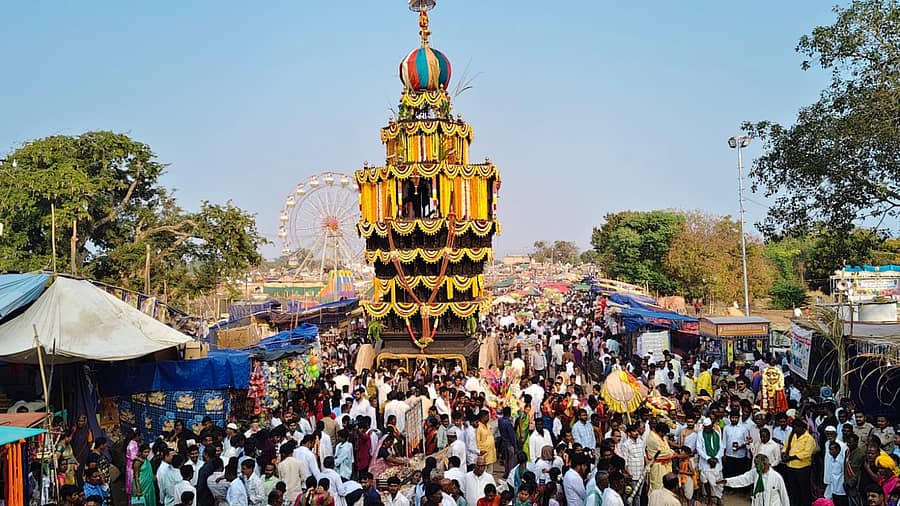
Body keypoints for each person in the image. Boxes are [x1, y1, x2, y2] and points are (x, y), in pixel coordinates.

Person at [720, 454, 790, 506]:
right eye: (755, 464)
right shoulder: (755, 472)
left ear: (765, 464)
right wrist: (727, 481)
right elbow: (743, 479)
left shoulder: (776, 477)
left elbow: (784, 496)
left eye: (757, 464)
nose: (755, 466)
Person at [783, 418, 816, 506]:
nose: (794, 429)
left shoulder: (809, 439)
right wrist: (784, 453)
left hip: (802, 468)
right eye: (793, 427)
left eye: (796, 427)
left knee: (804, 490)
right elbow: (786, 446)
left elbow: (807, 453)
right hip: (790, 467)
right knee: (793, 490)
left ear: (802, 428)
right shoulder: (792, 435)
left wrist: (792, 457)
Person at [696, 417, 724, 506]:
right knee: (706, 481)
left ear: (712, 426)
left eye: (708, 428)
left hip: (717, 462)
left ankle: (719, 498)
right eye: (705, 428)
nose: (707, 430)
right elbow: (699, 448)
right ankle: (709, 499)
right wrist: (708, 458)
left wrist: (716, 458)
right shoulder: (700, 434)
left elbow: (721, 447)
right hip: (705, 463)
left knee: (718, 481)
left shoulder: (717, 434)